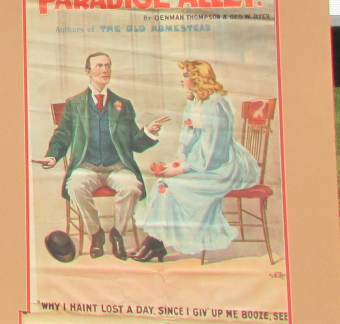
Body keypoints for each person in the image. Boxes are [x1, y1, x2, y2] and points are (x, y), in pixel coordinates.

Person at [33, 52, 169, 260]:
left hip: (118, 167)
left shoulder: (123, 104)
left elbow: (134, 143)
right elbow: (63, 134)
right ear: (88, 72)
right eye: (99, 66)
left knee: (132, 187)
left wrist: (149, 131)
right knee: (75, 185)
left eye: (107, 66)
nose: (104, 70)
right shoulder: (75, 103)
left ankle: (117, 234)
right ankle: (96, 234)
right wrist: (53, 156)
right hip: (86, 166)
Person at [131, 60, 259, 262]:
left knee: (173, 187)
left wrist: (183, 169)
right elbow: (187, 140)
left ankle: (156, 243)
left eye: (185, 76)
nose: (182, 80)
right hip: (202, 161)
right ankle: (156, 241)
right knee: (163, 185)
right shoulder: (194, 102)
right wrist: (177, 163)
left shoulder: (216, 103)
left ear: (197, 78)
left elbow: (215, 148)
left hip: (223, 165)